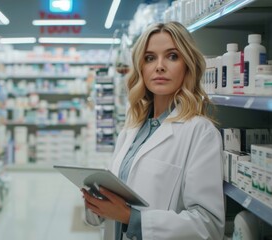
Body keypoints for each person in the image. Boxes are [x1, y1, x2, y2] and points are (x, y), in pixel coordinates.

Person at [81, 21, 225, 240]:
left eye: (172, 56)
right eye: (150, 58)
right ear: (141, 67)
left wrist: (132, 217)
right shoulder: (133, 126)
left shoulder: (200, 132)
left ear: (187, 64)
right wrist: (97, 202)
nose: (159, 66)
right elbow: (118, 200)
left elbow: (209, 226)